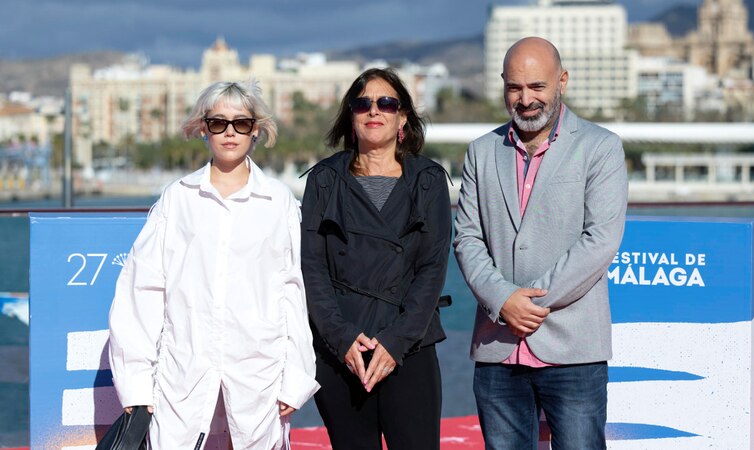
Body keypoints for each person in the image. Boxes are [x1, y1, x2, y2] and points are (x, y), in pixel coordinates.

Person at [108, 80, 319, 450]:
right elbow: (141, 291)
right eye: (219, 122)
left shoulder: (278, 202)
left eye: (241, 122)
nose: (230, 132)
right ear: (204, 128)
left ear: (256, 129)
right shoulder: (178, 200)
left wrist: (296, 375)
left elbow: (293, 291)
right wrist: (137, 384)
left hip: (260, 373)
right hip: (183, 374)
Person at [453, 37, 628, 449]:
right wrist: (503, 300)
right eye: (515, 87)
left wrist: (528, 304)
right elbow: (466, 237)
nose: (525, 98)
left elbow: (600, 239)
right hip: (497, 349)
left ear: (561, 82)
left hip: (573, 350)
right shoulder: (480, 152)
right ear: (502, 86)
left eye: (537, 86)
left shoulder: (600, 147)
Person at [301, 67, 452, 450]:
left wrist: (395, 343)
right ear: (350, 117)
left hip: (408, 349)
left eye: (386, 103)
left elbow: (432, 269)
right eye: (362, 103)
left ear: (402, 118)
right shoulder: (323, 180)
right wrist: (342, 338)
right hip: (342, 354)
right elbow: (312, 268)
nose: (374, 111)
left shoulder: (428, 180)